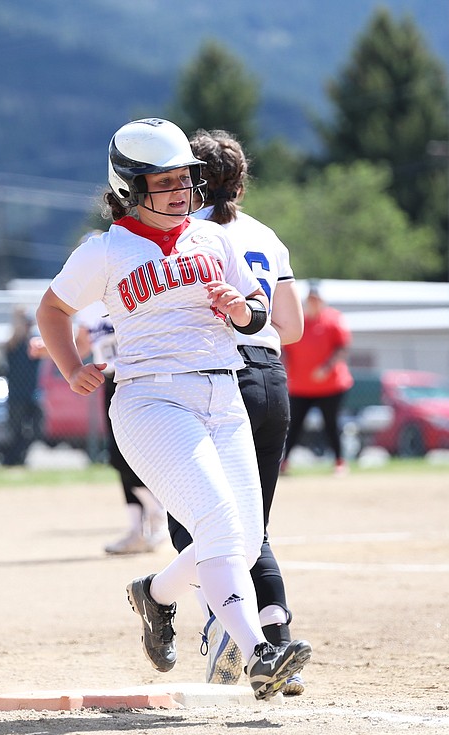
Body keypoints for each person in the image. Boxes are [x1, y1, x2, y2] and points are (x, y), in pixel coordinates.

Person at [35, 117, 311, 700]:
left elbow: (263, 318)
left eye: (185, 178)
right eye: (163, 181)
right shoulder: (105, 250)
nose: (181, 191)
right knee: (216, 523)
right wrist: (71, 366)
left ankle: (157, 595)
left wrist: (242, 311)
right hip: (151, 398)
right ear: (129, 188)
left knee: (242, 533)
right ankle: (260, 652)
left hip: (223, 391)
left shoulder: (214, 239)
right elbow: (51, 310)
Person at [168, 128, 309, 696]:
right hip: (269, 378)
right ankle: (275, 636)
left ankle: (228, 627)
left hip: (214, 376)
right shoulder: (264, 237)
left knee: (197, 523)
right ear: (241, 182)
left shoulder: (184, 236)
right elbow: (292, 326)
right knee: (253, 526)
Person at [72, 299, 168, 555]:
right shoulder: (88, 305)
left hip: (138, 379)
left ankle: (159, 513)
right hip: (110, 380)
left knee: (124, 455)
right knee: (120, 454)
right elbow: (82, 345)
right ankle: (137, 531)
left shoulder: (127, 287)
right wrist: (48, 348)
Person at [281, 281, 354, 475]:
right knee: (293, 424)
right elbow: (285, 349)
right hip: (300, 385)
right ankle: (284, 463)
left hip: (330, 385)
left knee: (331, 423)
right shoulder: (300, 321)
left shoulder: (333, 319)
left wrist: (326, 368)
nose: (314, 302)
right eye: (311, 299)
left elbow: (342, 347)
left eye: (317, 299)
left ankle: (339, 461)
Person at [0, 307, 40, 467]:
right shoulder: (13, 343)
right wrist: (18, 324)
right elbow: (8, 348)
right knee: (15, 430)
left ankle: (19, 456)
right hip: (16, 394)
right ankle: (13, 460)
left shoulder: (33, 341)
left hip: (32, 393)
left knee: (37, 429)